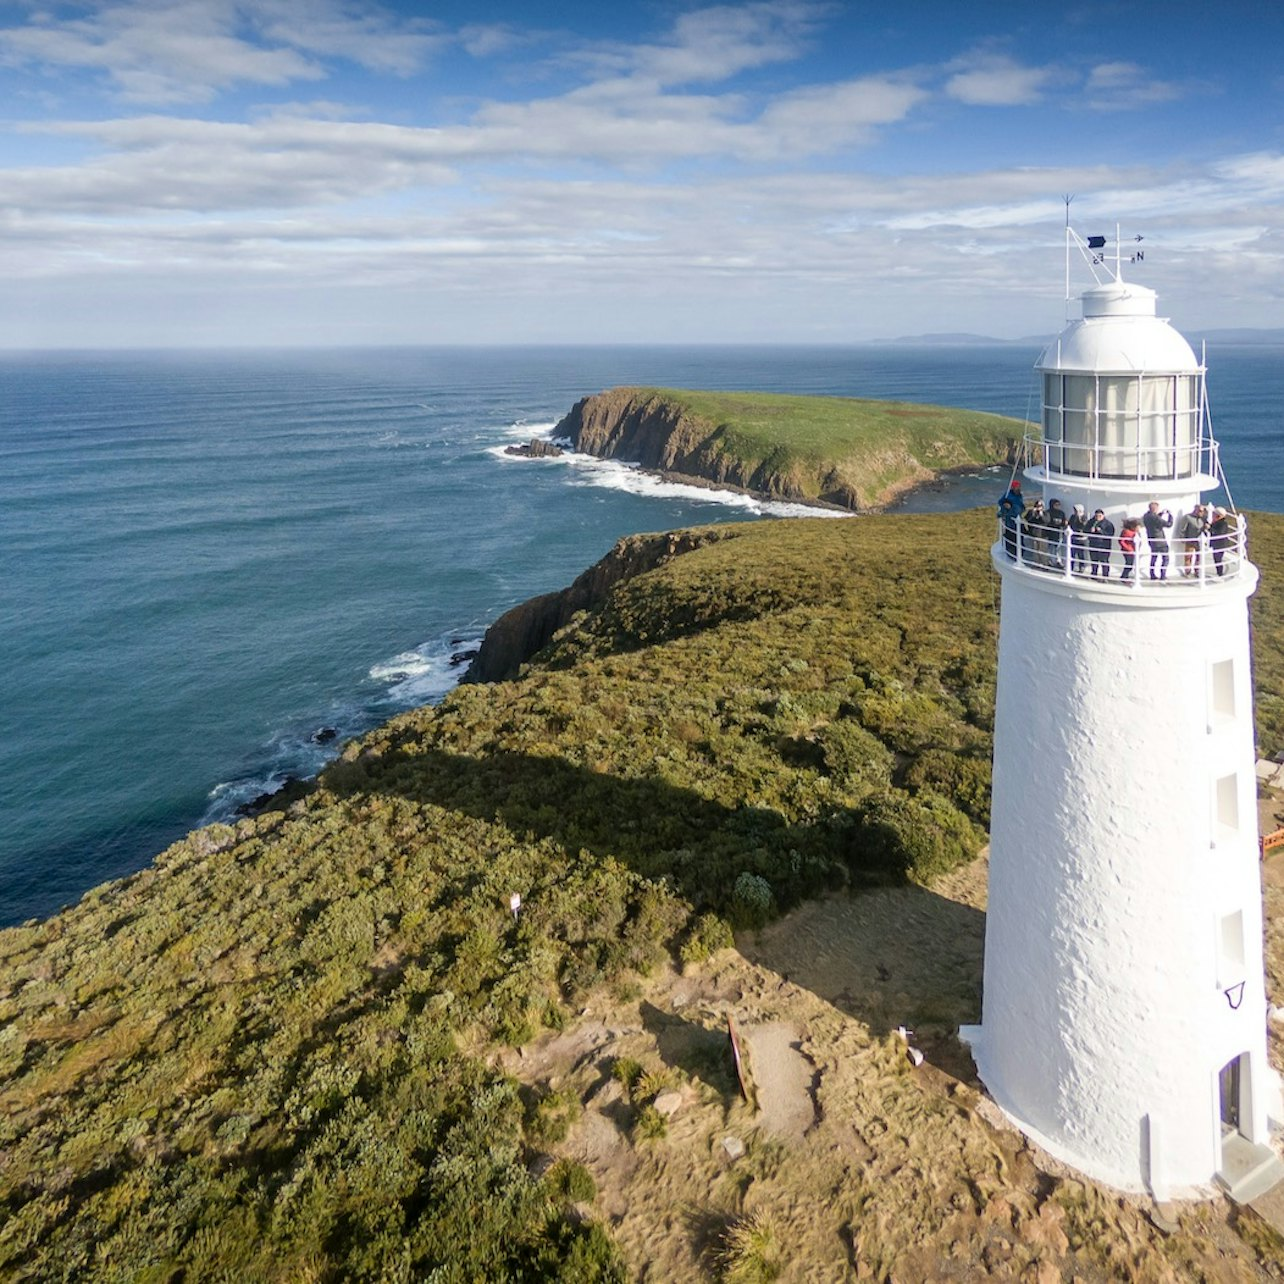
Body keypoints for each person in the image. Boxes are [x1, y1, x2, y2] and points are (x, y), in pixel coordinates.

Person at [1142, 501, 1173, 580]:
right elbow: (1168, 524)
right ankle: (1163, 575)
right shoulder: (1155, 517)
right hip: (1160, 541)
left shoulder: (1146, 516)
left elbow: (1155, 520)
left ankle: (1152, 574)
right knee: (1165, 558)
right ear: (1155, 509)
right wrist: (1170, 515)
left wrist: (1161, 514)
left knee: (1154, 558)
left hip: (1151, 540)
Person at [1176, 504, 1208, 576]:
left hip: (1200, 541)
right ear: (1195, 510)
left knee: (1199, 556)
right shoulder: (1187, 517)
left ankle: (1197, 571)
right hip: (1190, 540)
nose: (1202, 513)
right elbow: (1182, 529)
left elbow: (1206, 526)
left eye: (1203, 511)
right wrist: (1182, 538)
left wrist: (1206, 527)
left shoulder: (1203, 518)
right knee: (1188, 557)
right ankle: (1187, 571)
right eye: (1200, 511)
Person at [997, 478, 1024, 559]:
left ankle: (1019, 553)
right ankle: (1012, 554)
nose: (1018, 488)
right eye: (1017, 486)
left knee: (1019, 537)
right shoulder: (1008, 494)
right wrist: (1006, 505)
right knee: (1011, 537)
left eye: (1019, 486)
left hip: (1018, 518)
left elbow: (1021, 505)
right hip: (1010, 520)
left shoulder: (1020, 495)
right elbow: (1000, 502)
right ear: (1012, 487)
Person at [1085, 508, 1115, 577]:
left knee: (1104, 561)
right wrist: (1090, 530)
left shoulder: (1108, 524)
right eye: (1096, 516)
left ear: (1103, 516)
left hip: (1104, 545)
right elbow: (1085, 530)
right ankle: (1094, 574)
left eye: (1099, 516)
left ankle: (1105, 576)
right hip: (1093, 544)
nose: (1098, 518)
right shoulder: (1091, 522)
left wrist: (1101, 531)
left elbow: (1110, 534)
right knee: (1094, 560)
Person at [1209, 506, 1237, 578]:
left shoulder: (1223, 524)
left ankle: (1220, 574)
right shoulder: (1218, 522)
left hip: (1220, 545)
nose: (1212, 515)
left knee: (1218, 559)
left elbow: (1219, 533)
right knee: (1217, 559)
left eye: (1214, 514)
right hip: (1218, 544)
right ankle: (1219, 573)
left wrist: (1210, 528)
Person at [1021, 498, 1048, 566]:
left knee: (1043, 551)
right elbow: (1027, 519)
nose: (1038, 507)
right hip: (1033, 534)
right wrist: (1033, 513)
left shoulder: (1046, 513)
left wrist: (1041, 514)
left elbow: (1046, 521)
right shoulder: (1031, 512)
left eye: (1040, 506)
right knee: (1035, 551)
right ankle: (1036, 564)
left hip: (1042, 535)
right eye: (1037, 506)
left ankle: (1044, 564)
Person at [1045, 499, 1069, 568]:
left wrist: (1064, 523)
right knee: (1050, 547)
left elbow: (1064, 522)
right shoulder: (1048, 512)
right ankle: (1050, 561)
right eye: (1056, 505)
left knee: (1058, 548)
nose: (1058, 506)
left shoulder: (1061, 513)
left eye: (1059, 505)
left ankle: (1058, 561)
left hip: (1059, 533)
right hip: (1050, 533)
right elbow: (1047, 521)